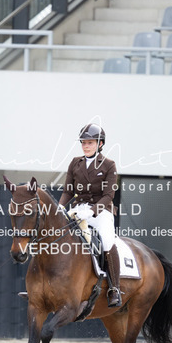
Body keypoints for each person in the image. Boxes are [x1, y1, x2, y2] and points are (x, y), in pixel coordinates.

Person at [58, 123, 122, 308]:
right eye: (83, 143)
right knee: (57, 235)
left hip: (101, 212)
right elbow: (68, 191)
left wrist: (92, 211)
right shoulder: (75, 163)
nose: (86, 146)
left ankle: (114, 289)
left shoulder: (109, 165)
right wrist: (60, 207)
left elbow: (109, 195)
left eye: (90, 143)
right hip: (78, 210)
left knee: (107, 242)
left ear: (100, 144)